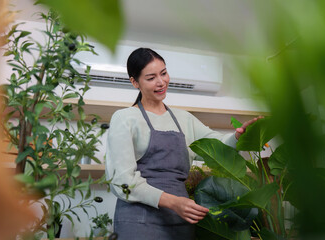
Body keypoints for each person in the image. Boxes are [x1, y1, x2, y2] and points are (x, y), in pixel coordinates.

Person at [105, 48, 261, 239]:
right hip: (139, 221)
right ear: (134, 82)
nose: (161, 82)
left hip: (181, 221)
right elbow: (122, 182)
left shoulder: (184, 119)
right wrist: (173, 202)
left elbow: (218, 147)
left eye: (163, 73)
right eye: (151, 77)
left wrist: (239, 136)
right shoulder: (125, 118)